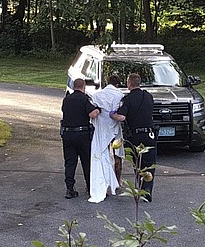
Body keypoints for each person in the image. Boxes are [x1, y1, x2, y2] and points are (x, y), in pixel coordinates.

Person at [110, 73, 156, 202]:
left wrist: (112, 115)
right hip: (149, 134)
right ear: (139, 83)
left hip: (135, 136)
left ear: (129, 83)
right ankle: (148, 189)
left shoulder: (128, 99)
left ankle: (140, 187)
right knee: (149, 163)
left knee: (137, 162)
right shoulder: (148, 96)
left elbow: (122, 117)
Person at [60, 78, 101, 199]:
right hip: (82, 135)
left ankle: (69, 189)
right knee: (86, 162)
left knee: (70, 163)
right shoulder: (84, 99)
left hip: (67, 134)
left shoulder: (66, 99)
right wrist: (98, 110)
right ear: (84, 87)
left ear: (73, 87)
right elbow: (92, 114)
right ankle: (90, 187)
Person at [88, 75, 124, 203]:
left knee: (103, 154)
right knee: (117, 155)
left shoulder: (97, 95)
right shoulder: (120, 95)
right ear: (118, 84)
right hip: (114, 129)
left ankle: (105, 180)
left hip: (101, 129)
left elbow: (94, 109)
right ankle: (117, 180)